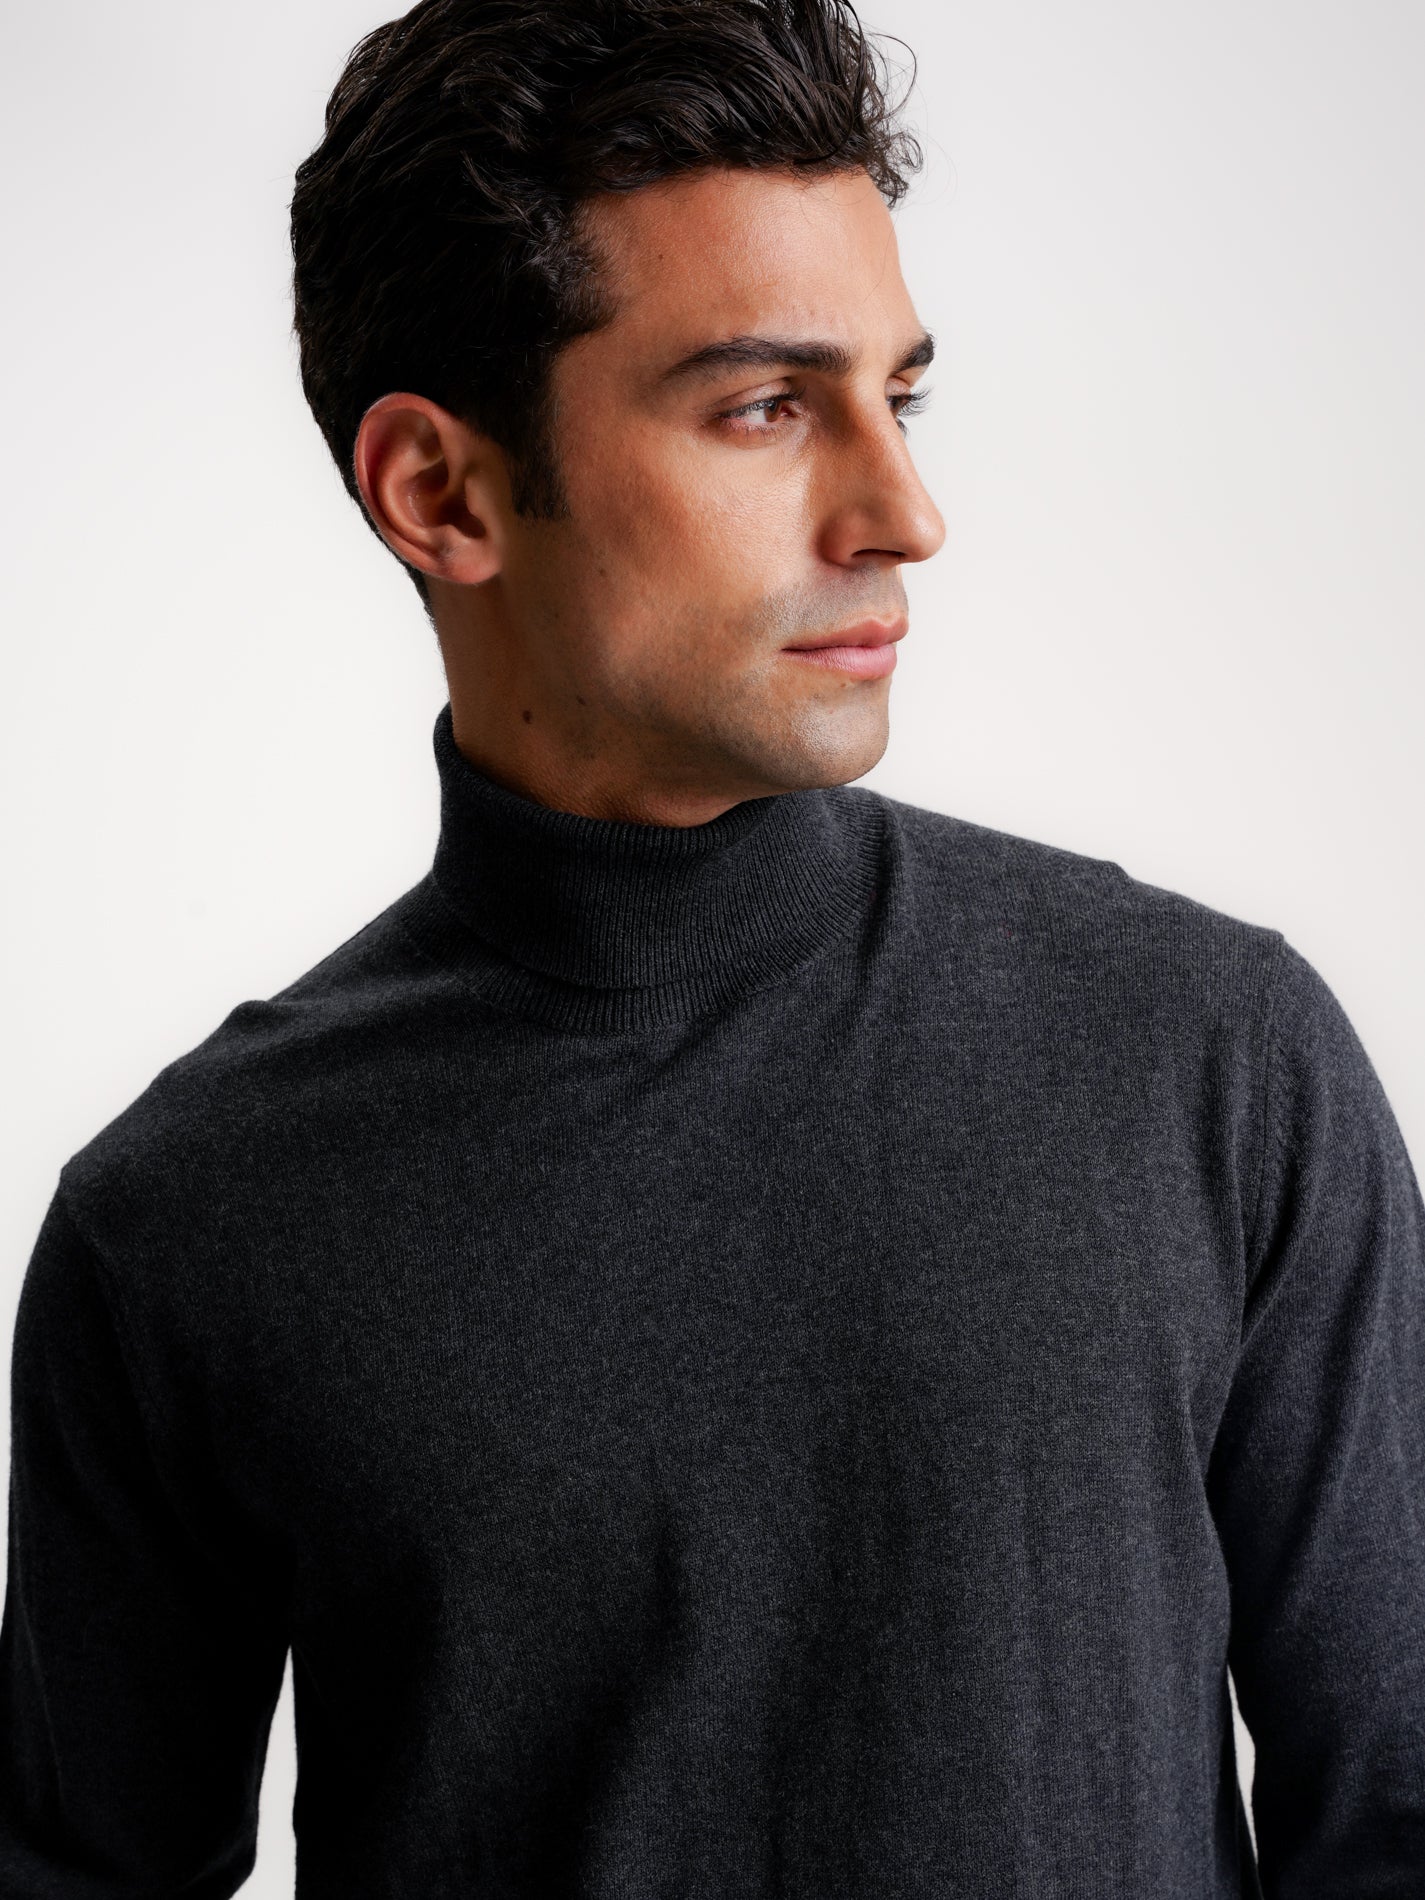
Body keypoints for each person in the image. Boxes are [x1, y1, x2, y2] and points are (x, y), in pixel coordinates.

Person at [2, 0, 1421, 1893]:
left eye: (898, 396)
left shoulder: (1208, 1059)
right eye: (765, 406)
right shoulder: (184, 1221)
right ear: (439, 491)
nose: (904, 513)